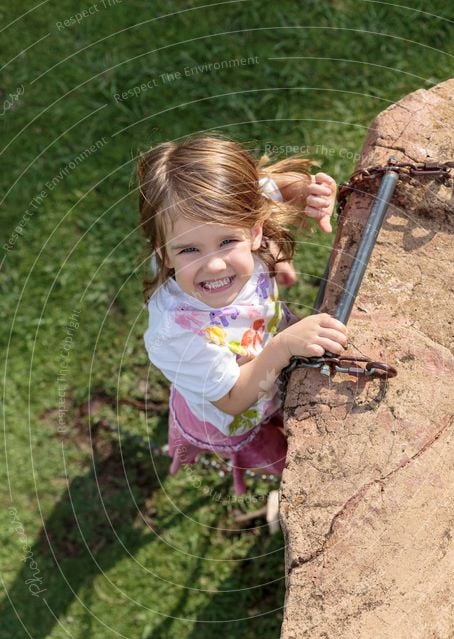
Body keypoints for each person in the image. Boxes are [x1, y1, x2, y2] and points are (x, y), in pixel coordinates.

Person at [138, 133, 348, 497]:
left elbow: (276, 186)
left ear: (254, 229)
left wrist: (313, 194)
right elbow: (233, 399)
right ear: (165, 254)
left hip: (271, 358)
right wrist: (283, 348)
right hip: (239, 417)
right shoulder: (176, 332)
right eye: (190, 249)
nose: (214, 264)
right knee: (294, 460)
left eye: (227, 242)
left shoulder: (237, 214)